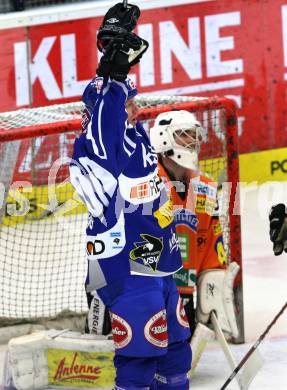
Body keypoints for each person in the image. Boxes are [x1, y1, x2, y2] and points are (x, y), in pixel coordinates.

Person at [69, 2, 191, 389]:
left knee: (175, 348)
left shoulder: (132, 135)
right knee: (140, 357)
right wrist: (114, 69)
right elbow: (106, 105)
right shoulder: (100, 142)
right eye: (129, 102)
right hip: (129, 264)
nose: (135, 107)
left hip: (157, 259)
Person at [149, 110, 240, 341]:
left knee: (179, 357)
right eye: (183, 134)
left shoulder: (206, 188)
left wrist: (213, 284)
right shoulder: (145, 183)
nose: (192, 141)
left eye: (193, 134)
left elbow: (212, 243)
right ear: (163, 138)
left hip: (184, 292)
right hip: (147, 291)